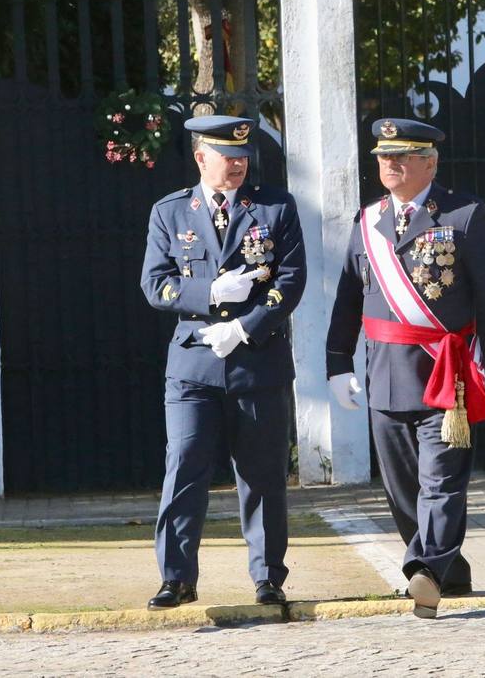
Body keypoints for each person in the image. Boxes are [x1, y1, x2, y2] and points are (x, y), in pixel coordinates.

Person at [326, 118, 485, 618]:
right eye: (384, 156)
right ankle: (448, 571)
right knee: (403, 489)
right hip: (385, 374)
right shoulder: (367, 222)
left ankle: (426, 571)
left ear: (430, 162)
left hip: (444, 376)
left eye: (403, 156)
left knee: (441, 482)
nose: (390, 164)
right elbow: (349, 296)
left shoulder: (465, 214)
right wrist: (336, 362)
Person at [139, 115, 307, 609]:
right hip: (193, 365)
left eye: (242, 156)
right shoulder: (171, 212)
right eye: (226, 157)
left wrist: (244, 327)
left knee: (262, 475)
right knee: (185, 467)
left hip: (257, 364)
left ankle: (267, 576)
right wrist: (208, 293)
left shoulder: (275, 207)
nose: (237, 165)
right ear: (200, 158)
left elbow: (290, 279)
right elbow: (155, 284)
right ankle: (177, 577)